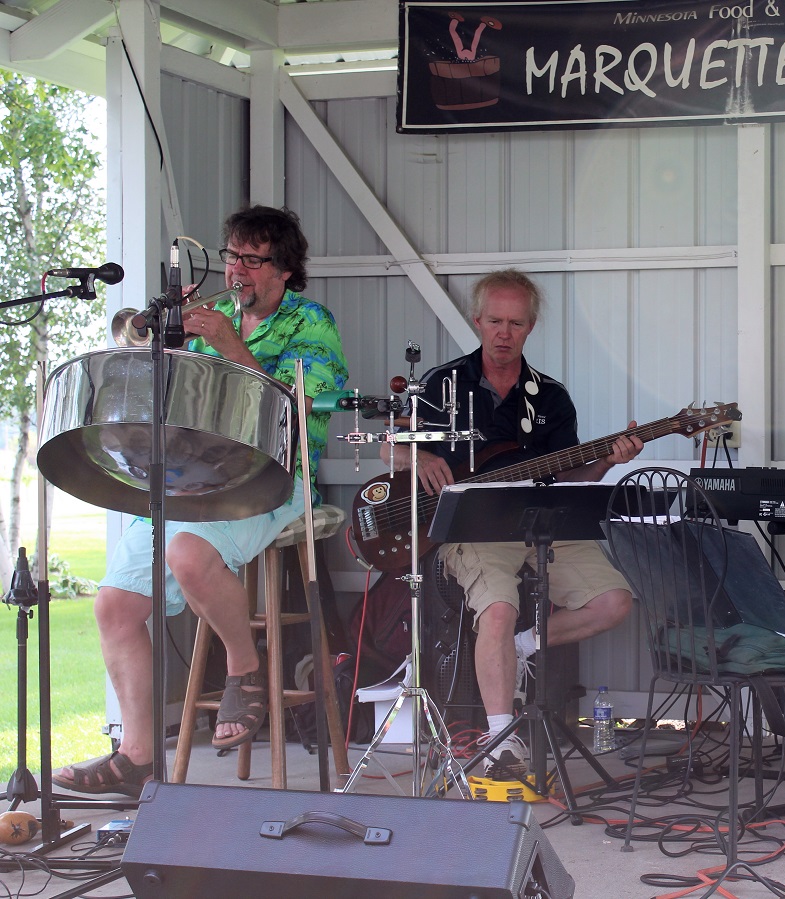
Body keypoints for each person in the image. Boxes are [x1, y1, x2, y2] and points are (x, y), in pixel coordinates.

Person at [54, 205, 348, 796]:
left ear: (284, 269)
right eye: (232, 256)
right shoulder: (216, 318)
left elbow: (301, 408)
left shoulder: (310, 323)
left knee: (188, 554)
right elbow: (165, 400)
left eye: (253, 260)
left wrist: (229, 344)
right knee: (114, 606)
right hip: (193, 472)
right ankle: (137, 758)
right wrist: (170, 340)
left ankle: (245, 666)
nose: (237, 270)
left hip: (275, 475)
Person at [384, 268, 643, 772]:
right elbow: (388, 446)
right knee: (499, 610)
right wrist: (420, 457)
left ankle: (524, 647)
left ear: (530, 327)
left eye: (516, 323)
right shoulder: (441, 383)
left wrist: (608, 461)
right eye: (495, 321)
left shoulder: (551, 397)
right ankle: (501, 740)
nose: (504, 333)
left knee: (614, 602)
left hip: (543, 521)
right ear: (477, 321)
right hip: (473, 527)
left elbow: (570, 477)